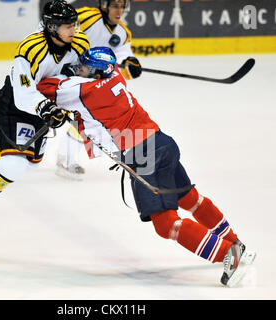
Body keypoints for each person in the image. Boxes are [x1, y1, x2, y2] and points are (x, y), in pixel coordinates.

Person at [36, 46, 256, 287]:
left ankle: (229, 254)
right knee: (190, 198)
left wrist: (62, 76)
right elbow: (112, 70)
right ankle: (235, 242)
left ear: (97, 73)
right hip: (161, 141)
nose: (80, 70)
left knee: (166, 224)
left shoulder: (83, 90)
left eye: (85, 68)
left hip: (142, 153)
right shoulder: (115, 76)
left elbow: (40, 87)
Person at [0, 0, 88, 233]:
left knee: (28, 164)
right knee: (13, 164)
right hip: (14, 106)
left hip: (43, 108)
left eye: (74, 24)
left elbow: (82, 69)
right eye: (67, 26)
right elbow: (23, 94)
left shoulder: (80, 43)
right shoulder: (30, 50)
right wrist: (46, 108)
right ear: (52, 27)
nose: (74, 29)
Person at [55, 0, 142, 180]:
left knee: (85, 118)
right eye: (115, 6)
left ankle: (65, 159)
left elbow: (122, 57)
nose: (119, 11)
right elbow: (61, 33)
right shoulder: (87, 18)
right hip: (70, 72)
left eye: (122, 6)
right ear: (105, 5)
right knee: (55, 114)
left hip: (92, 80)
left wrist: (130, 64)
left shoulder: (123, 33)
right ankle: (46, 152)